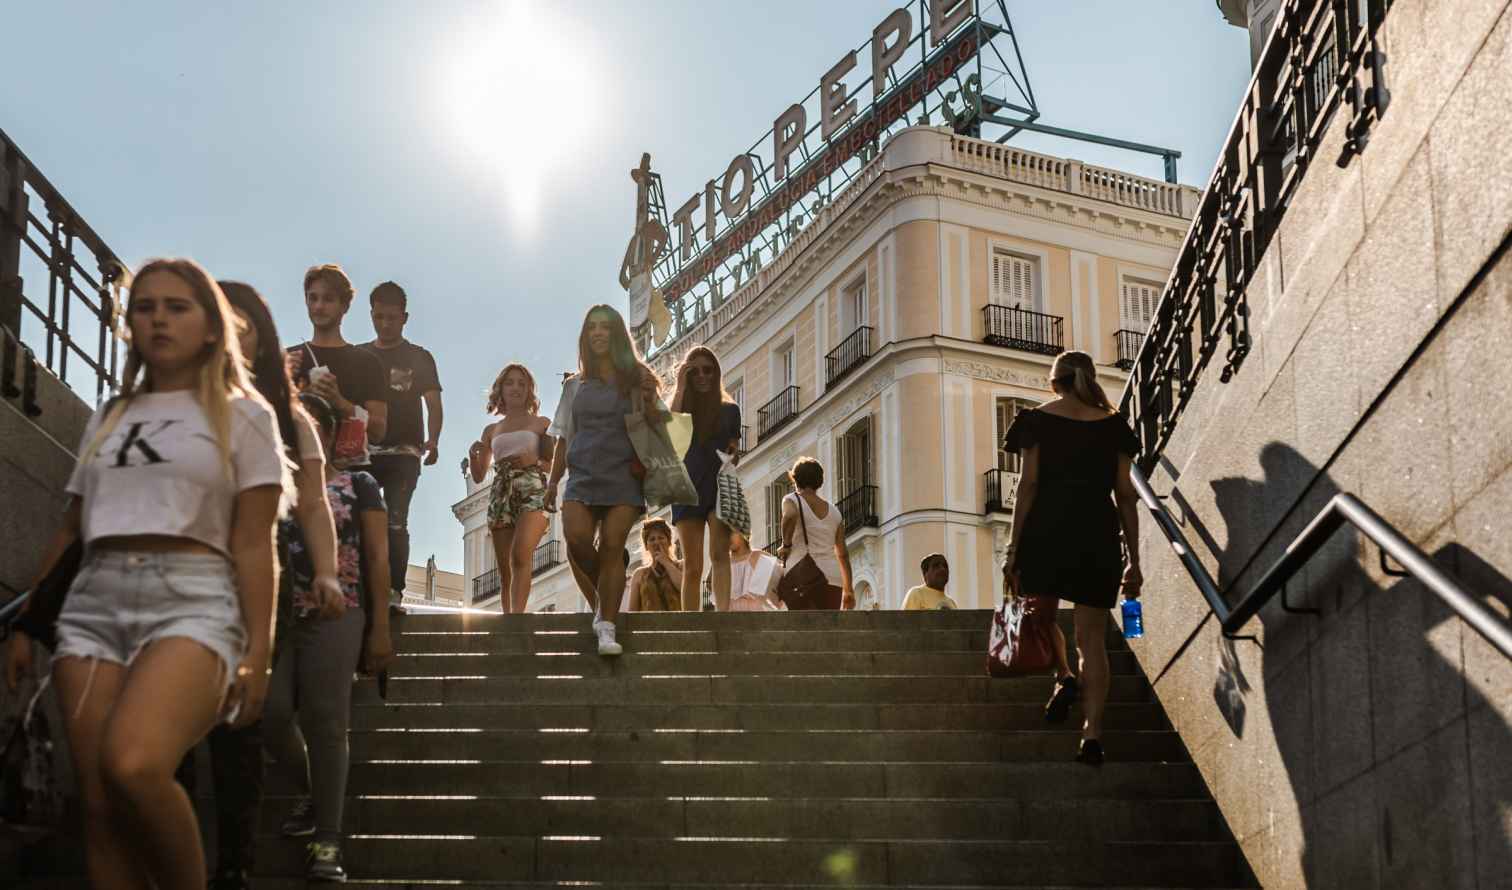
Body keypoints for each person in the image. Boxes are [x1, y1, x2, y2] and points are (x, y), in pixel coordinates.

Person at [3, 259, 287, 889]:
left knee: (134, 762)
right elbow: (68, 529)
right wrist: (27, 624)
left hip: (195, 596)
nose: (158, 318)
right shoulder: (110, 415)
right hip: (93, 600)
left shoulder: (246, 416)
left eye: (177, 306)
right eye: (144, 306)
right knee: (101, 804)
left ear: (213, 327)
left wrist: (258, 653)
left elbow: (252, 542)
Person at [175, 281, 346, 890]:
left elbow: (317, 506)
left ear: (264, 340)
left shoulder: (288, 415)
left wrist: (325, 571)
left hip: (253, 576)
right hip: (180, 573)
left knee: (239, 725)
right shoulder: (177, 402)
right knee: (177, 726)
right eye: (222, 323)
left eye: (244, 326)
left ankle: (233, 866)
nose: (232, 336)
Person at [262, 392, 394, 879]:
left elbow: (378, 557)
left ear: (333, 432)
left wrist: (379, 628)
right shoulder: (270, 484)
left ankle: (328, 841)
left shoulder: (359, 483)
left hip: (339, 612)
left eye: (317, 423)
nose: (307, 431)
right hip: (278, 615)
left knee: (326, 720)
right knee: (270, 712)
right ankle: (314, 795)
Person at [1001, 350, 1142, 766]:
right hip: (1096, 534)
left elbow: (1027, 486)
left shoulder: (1036, 420)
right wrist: (1133, 557)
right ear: (1089, 378)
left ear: (1054, 382)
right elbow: (1126, 495)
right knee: (1092, 641)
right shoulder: (1114, 426)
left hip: (1045, 533)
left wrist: (1013, 547)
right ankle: (1092, 734)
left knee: (1040, 616)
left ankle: (1062, 675)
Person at [544, 304, 660, 655]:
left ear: (616, 335)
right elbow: (563, 436)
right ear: (585, 336)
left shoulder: (635, 377)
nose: (598, 333)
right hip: (582, 475)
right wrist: (552, 481)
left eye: (605, 327)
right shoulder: (573, 386)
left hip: (625, 474)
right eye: (592, 327)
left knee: (612, 545)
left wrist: (650, 394)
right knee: (576, 539)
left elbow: (657, 422)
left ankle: (607, 627)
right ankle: (607, 595)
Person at [364, 281, 443, 608]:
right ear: (371, 314)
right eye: (379, 317)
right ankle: (365, 587)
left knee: (396, 519)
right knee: (363, 520)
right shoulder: (361, 355)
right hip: (364, 452)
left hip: (405, 453)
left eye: (392, 318)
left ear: (404, 318)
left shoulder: (419, 357)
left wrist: (433, 440)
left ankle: (394, 591)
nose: (385, 324)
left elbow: (434, 404)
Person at [286, 264, 388, 468]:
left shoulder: (367, 363)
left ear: (345, 306)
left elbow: (379, 431)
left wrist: (339, 402)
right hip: (297, 475)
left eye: (328, 299)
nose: (318, 306)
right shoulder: (288, 359)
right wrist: (285, 384)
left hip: (350, 478)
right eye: (312, 298)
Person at [468, 363, 551, 613]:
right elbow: (480, 474)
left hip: (533, 488)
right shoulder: (491, 430)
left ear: (529, 391)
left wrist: (533, 461)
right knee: (504, 570)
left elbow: (553, 463)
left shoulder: (541, 423)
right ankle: (509, 625)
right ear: (500, 390)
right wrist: (474, 457)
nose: (515, 387)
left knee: (520, 555)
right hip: (501, 491)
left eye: (521, 383)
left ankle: (517, 620)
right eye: (510, 382)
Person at [669, 346, 742, 611]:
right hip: (686, 487)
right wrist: (679, 386)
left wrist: (734, 455)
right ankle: (690, 625)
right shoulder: (683, 407)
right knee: (693, 565)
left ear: (716, 372)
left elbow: (734, 447)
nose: (702, 375)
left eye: (707, 370)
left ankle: (723, 616)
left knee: (720, 554)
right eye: (695, 371)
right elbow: (671, 432)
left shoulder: (730, 410)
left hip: (719, 486)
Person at [776, 457, 856, 610]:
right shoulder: (834, 512)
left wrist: (786, 545)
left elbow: (790, 516)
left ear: (795, 479)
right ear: (819, 481)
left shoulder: (791, 499)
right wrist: (849, 589)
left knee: (803, 629)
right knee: (827, 628)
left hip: (802, 574)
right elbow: (843, 554)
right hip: (832, 577)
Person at [627, 519, 683, 612]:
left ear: (669, 542)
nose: (656, 542)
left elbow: (684, 588)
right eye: (652, 539)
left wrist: (666, 562)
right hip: (648, 625)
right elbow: (632, 611)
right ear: (646, 546)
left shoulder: (681, 566)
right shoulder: (639, 574)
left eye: (661, 538)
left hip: (678, 624)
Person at [727, 530, 784, 612]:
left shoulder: (757, 556)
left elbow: (782, 574)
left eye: (732, 532)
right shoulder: (723, 563)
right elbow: (710, 583)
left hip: (758, 616)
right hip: (730, 616)